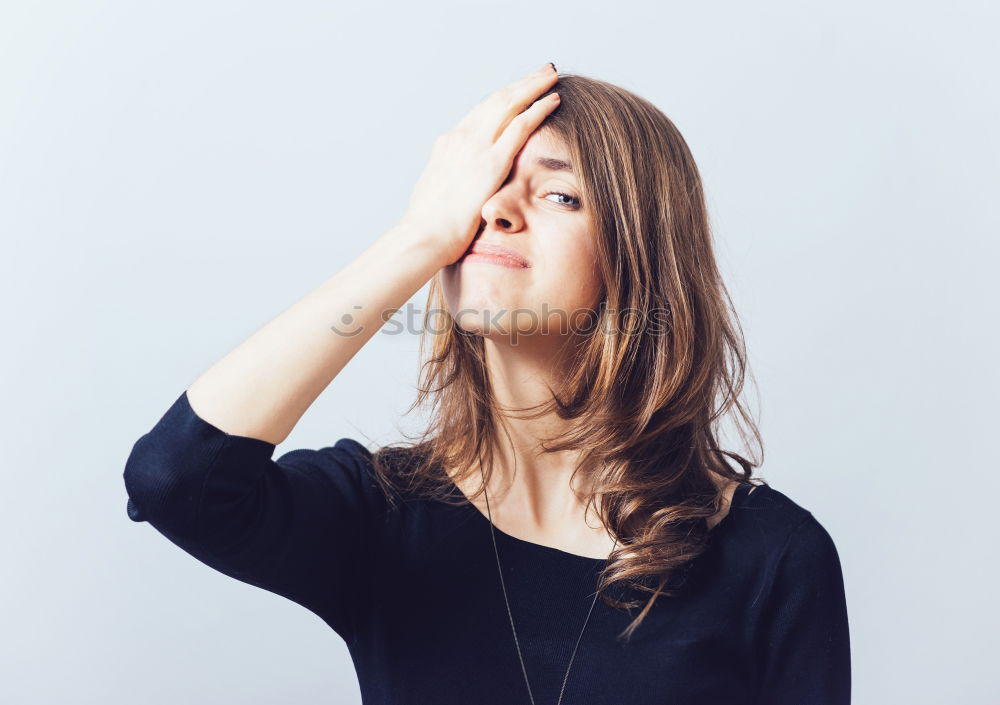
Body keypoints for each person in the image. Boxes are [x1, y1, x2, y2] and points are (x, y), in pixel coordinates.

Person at [123, 63, 851, 704]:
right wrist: (416, 239)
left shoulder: (773, 558)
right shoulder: (384, 517)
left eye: (559, 195)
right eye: (481, 191)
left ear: (639, 259)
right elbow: (173, 478)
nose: (495, 211)